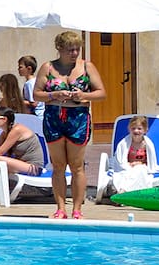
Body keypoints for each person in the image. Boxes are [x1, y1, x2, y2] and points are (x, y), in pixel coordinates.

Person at [32, 30, 106, 219]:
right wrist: (54, 95)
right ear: (59, 49)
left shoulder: (87, 67)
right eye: (70, 50)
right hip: (53, 118)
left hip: (78, 118)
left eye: (77, 49)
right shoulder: (47, 68)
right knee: (58, 165)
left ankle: (77, 209)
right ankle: (60, 208)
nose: (74, 53)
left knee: (76, 165)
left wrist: (83, 96)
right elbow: (36, 94)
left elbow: (101, 93)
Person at [0, 106, 46, 204]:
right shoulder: (4, 134)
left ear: (4, 119)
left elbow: (0, 152)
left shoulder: (17, 129)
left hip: (33, 167)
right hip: (22, 165)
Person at [105, 114, 159, 196]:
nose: (136, 131)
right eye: (133, 128)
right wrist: (128, 165)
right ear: (129, 129)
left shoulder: (148, 144)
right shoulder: (124, 143)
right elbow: (120, 161)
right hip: (127, 167)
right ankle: (125, 193)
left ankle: (123, 192)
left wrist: (140, 164)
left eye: (139, 128)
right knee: (125, 175)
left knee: (139, 170)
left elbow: (151, 162)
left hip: (143, 167)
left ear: (145, 130)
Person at [17, 54, 43, 124]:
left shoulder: (29, 84)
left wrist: (17, 101)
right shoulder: (36, 81)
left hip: (36, 117)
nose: (18, 69)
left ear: (29, 69)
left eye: (20, 67)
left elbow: (34, 103)